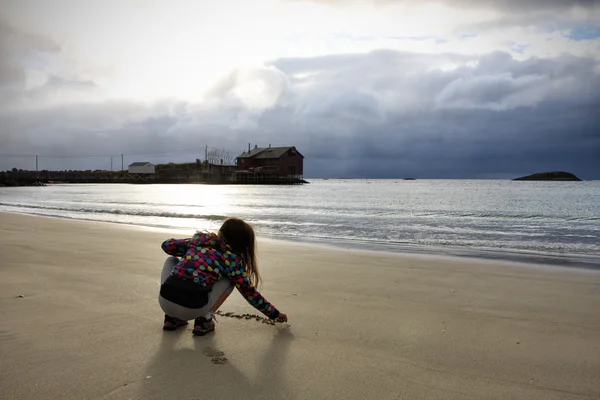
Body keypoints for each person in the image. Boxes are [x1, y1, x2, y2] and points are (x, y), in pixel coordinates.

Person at [158, 217, 287, 336]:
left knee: (171, 260)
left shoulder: (198, 241)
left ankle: (171, 319)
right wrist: (275, 314)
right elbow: (250, 294)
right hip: (193, 309)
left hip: (165, 302)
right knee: (230, 280)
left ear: (221, 233)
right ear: (243, 245)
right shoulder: (233, 261)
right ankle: (204, 320)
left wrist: (190, 245)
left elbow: (167, 245)